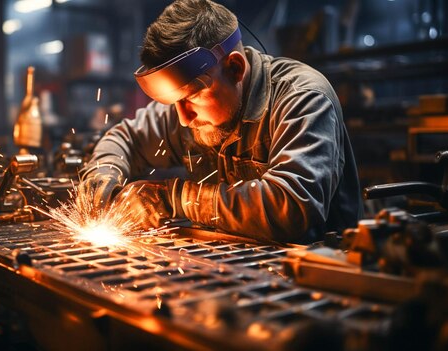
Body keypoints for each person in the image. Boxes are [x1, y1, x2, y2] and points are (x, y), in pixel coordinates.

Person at [77, 0, 361, 244]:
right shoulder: (188, 107)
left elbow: (293, 208)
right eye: (174, 102)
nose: (184, 118)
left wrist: (175, 199)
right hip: (238, 273)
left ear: (235, 68)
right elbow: (124, 139)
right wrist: (103, 174)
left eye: (193, 97)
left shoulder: (302, 99)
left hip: (320, 278)